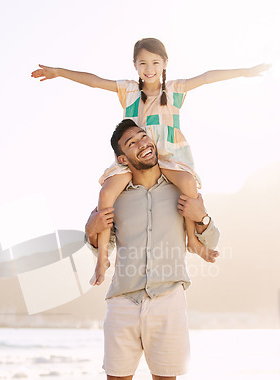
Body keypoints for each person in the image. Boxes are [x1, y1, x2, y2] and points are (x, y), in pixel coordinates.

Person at [31, 38, 269, 284]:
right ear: (134, 65)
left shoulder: (175, 90)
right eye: (143, 62)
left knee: (188, 183)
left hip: (167, 155)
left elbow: (208, 77)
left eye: (155, 62)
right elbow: (94, 81)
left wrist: (245, 72)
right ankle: (102, 257)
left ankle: (192, 240)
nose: (149, 68)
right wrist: (58, 72)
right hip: (137, 158)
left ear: (165, 64)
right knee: (105, 194)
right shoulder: (130, 91)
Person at [84, 119, 219, 380]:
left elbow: (212, 234)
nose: (141, 142)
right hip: (124, 298)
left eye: (143, 135)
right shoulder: (116, 195)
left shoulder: (178, 187)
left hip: (168, 296)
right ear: (122, 157)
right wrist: (90, 229)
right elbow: (101, 242)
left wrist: (201, 219)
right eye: (131, 142)